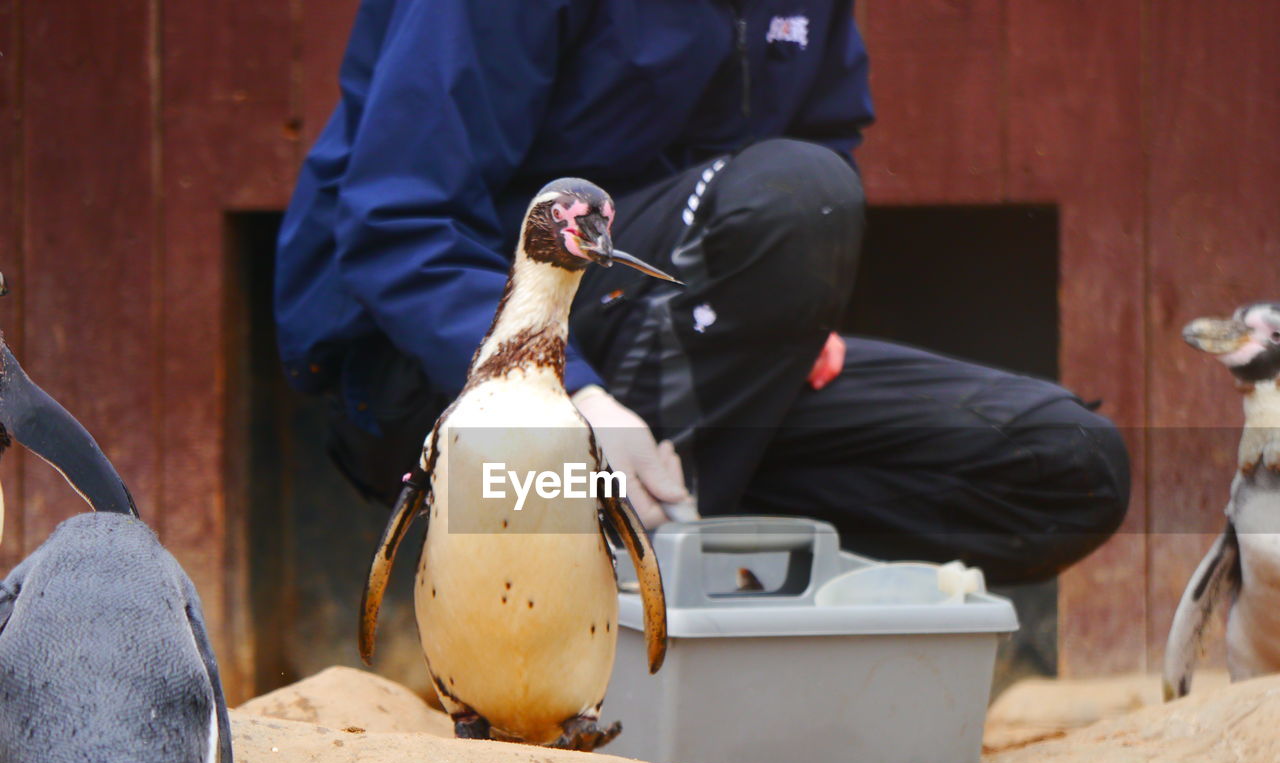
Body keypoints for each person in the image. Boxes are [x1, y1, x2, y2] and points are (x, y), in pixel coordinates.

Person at [275, 0, 1129, 584]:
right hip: (444, 380)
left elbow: (820, 149)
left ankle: (690, 568)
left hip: (674, 346)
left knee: (1064, 468)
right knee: (794, 197)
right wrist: (569, 398)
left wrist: (786, 311)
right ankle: (607, 614)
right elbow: (401, 226)